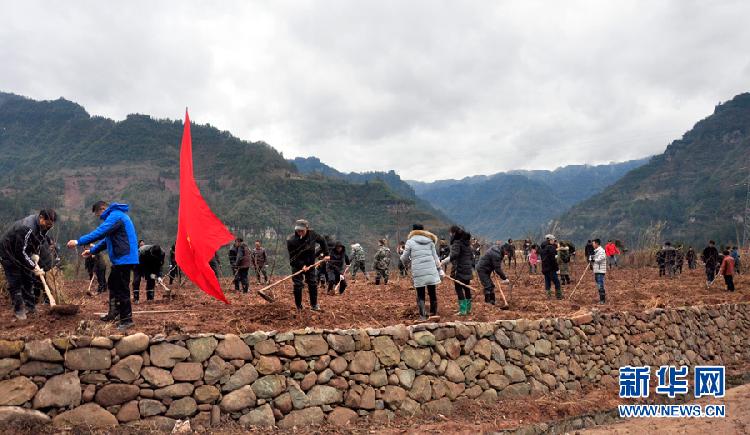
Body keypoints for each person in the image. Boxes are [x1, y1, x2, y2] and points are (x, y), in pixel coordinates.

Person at [67, 201, 138, 330]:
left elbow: (101, 232)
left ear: (103, 209)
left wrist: (78, 241)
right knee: (112, 284)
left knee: (122, 288)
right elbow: (107, 240)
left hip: (125, 258)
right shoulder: (116, 217)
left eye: (98, 214)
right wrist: (92, 251)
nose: (100, 218)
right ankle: (114, 314)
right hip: (120, 259)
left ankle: (127, 320)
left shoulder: (116, 216)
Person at [0, 209, 57, 320]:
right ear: (41, 218)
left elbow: (36, 241)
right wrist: (33, 266)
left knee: (28, 278)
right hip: (8, 253)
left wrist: (34, 254)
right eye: (47, 224)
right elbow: (19, 252)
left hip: (22, 250)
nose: (48, 227)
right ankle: (19, 310)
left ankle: (31, 308)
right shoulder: (27, 227)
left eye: (51, 225)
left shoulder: (44, 226)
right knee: (15, 281)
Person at [400, 224, 442, 321]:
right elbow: (435, 257)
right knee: (432, 292)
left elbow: (405, 258)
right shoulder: (430, 241)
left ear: (413, 231)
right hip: (431, 270)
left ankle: (423, 315)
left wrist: (402, 258)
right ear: (423, 231)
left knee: (420, 294)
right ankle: (433, 313)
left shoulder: (410, 242)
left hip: (418, 271)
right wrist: (440, 269)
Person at [287, 219, 329, 311]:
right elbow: (292, 258)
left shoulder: (313, 235)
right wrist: (301, 265)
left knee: (313, 283)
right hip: (297, 264)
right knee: (298, 285)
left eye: (302, 230)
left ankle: (314, 305)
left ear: (307, 229)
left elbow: (322, 241)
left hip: (310, 263)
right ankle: (299, 307)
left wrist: (326, 254)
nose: (300, 232)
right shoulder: (291, 241)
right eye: (298, 230)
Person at [442, 226, 475, 315]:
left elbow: (454, 254)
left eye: (450, 233)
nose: (449, 235)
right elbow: (471, 256)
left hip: (459, 269)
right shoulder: (467, 243)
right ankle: (468, 309)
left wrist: (444, 261)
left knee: (458, 287)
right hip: (467, 268)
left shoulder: (457, 243)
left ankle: (463, 310)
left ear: (454, 233)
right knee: (466, 287)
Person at [476, 241, 510, 305]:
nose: (507, 254)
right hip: (482, 269)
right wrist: (504, 278)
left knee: (491, 286)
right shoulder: (496, 254)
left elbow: (495, 264)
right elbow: (497, 268)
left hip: (487, 269)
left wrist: (493, 266)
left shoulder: (498, 249)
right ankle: (487, 302)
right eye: (507, 252)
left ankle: (493, 301)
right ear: (504, 249)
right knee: (488, 286)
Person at [540, 234, 562, 299]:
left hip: (544, 269)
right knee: (557, 282)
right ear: (550, 240)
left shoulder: (542, 248)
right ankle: (559, 296)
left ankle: (548, 296)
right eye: (553, 240)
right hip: (551, 268)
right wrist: (557, 268)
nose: (553, 241)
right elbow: (553, 260)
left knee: (547, 282)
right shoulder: (551, 248)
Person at [590, 239, 607, 304]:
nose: (593, 245)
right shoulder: (597, 251)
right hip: (597, 270)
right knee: (599, 284)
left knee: (600, 285)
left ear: (597, 244)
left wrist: (593, 259)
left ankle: (602, 300)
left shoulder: (601, 251)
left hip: (600, 271)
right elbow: (596, 258)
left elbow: (601, 259)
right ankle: (601, 299)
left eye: (593, 243)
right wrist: (591, 258)